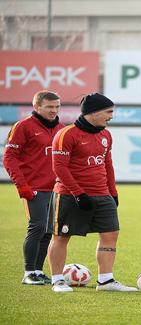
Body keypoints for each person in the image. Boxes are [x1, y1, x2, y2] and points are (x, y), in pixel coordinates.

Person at [47, 93, 137, 292]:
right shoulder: (66, 134)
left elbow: (107, 164)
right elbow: (59, 168)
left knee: (110, 234)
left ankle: (106, 281)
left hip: (102, 194)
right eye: (109, 112)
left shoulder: (105, 134)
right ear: (93, 113)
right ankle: (57, 280)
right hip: (70, 195)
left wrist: (113, 193)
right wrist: (79, 193)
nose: (111, 116)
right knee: (61, 237)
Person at [3, 90, 64, 285]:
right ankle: (28, 272)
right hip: (34, 188)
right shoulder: (23, 127)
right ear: (37, 107)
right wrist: (22, 186)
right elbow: (9, 158)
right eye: (49, 107)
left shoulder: (61, 128)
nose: (54, 111)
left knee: (49, 231)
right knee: (36, 227)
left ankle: (38, 271)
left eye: (57, 107)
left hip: (56, 189)